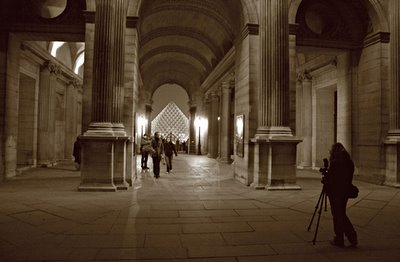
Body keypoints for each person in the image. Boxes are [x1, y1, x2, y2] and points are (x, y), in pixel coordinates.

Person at [325, 142, 358, 247]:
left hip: (335, 192)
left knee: (337, 214)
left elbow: (332, 179)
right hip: (345, 191)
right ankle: (351, 237)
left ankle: (341, 238)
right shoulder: (349, 162)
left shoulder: (335, 162)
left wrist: (326, 177)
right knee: (341, 213)